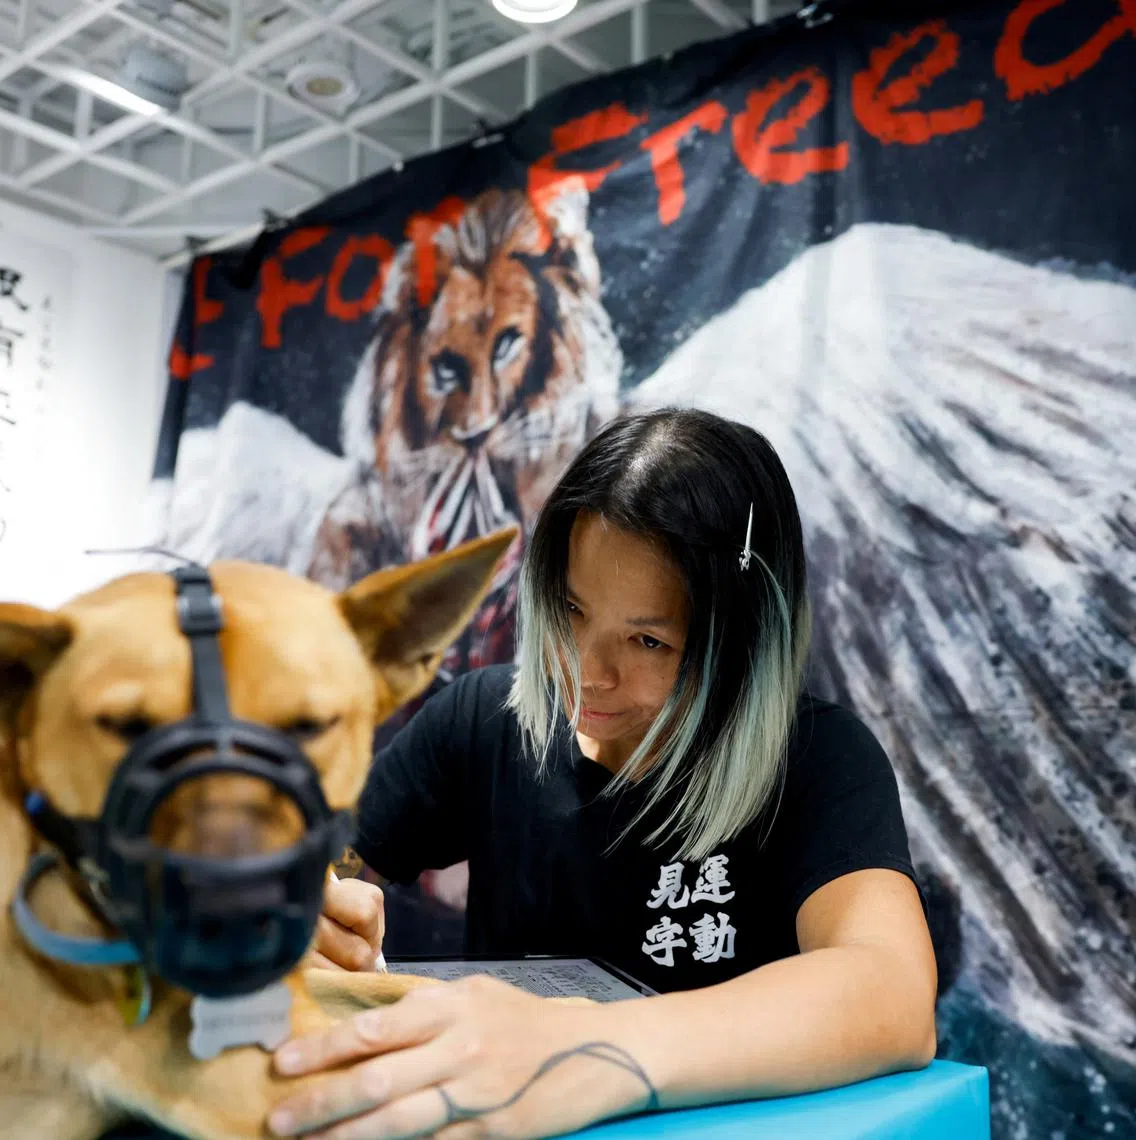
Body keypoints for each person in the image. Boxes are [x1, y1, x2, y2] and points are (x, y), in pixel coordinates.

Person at [272, 408, 938, 1140]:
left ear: (740, 643)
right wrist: (303, 902)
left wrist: (579, 1049)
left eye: (648, 640)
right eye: (571, 609)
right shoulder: (487, 720)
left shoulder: (817, 760)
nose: (588, 672)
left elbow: (892, 993)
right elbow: (325, 851)